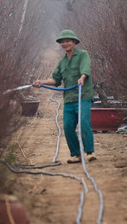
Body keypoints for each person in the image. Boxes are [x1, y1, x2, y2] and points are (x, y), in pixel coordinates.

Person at [33, 29, 96, 164]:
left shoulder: (83, 55)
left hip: (83, 96)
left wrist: (82, 78)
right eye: (62, 41)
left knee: (84, 123)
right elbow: (55, 80)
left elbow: (86, 69)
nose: (65, 43)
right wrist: (41, 82)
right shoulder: (62, 62)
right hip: (68, 98)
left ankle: (89, 153)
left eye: (67, 41)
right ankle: (76, 154)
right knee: (67, 127)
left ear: (74, 42)